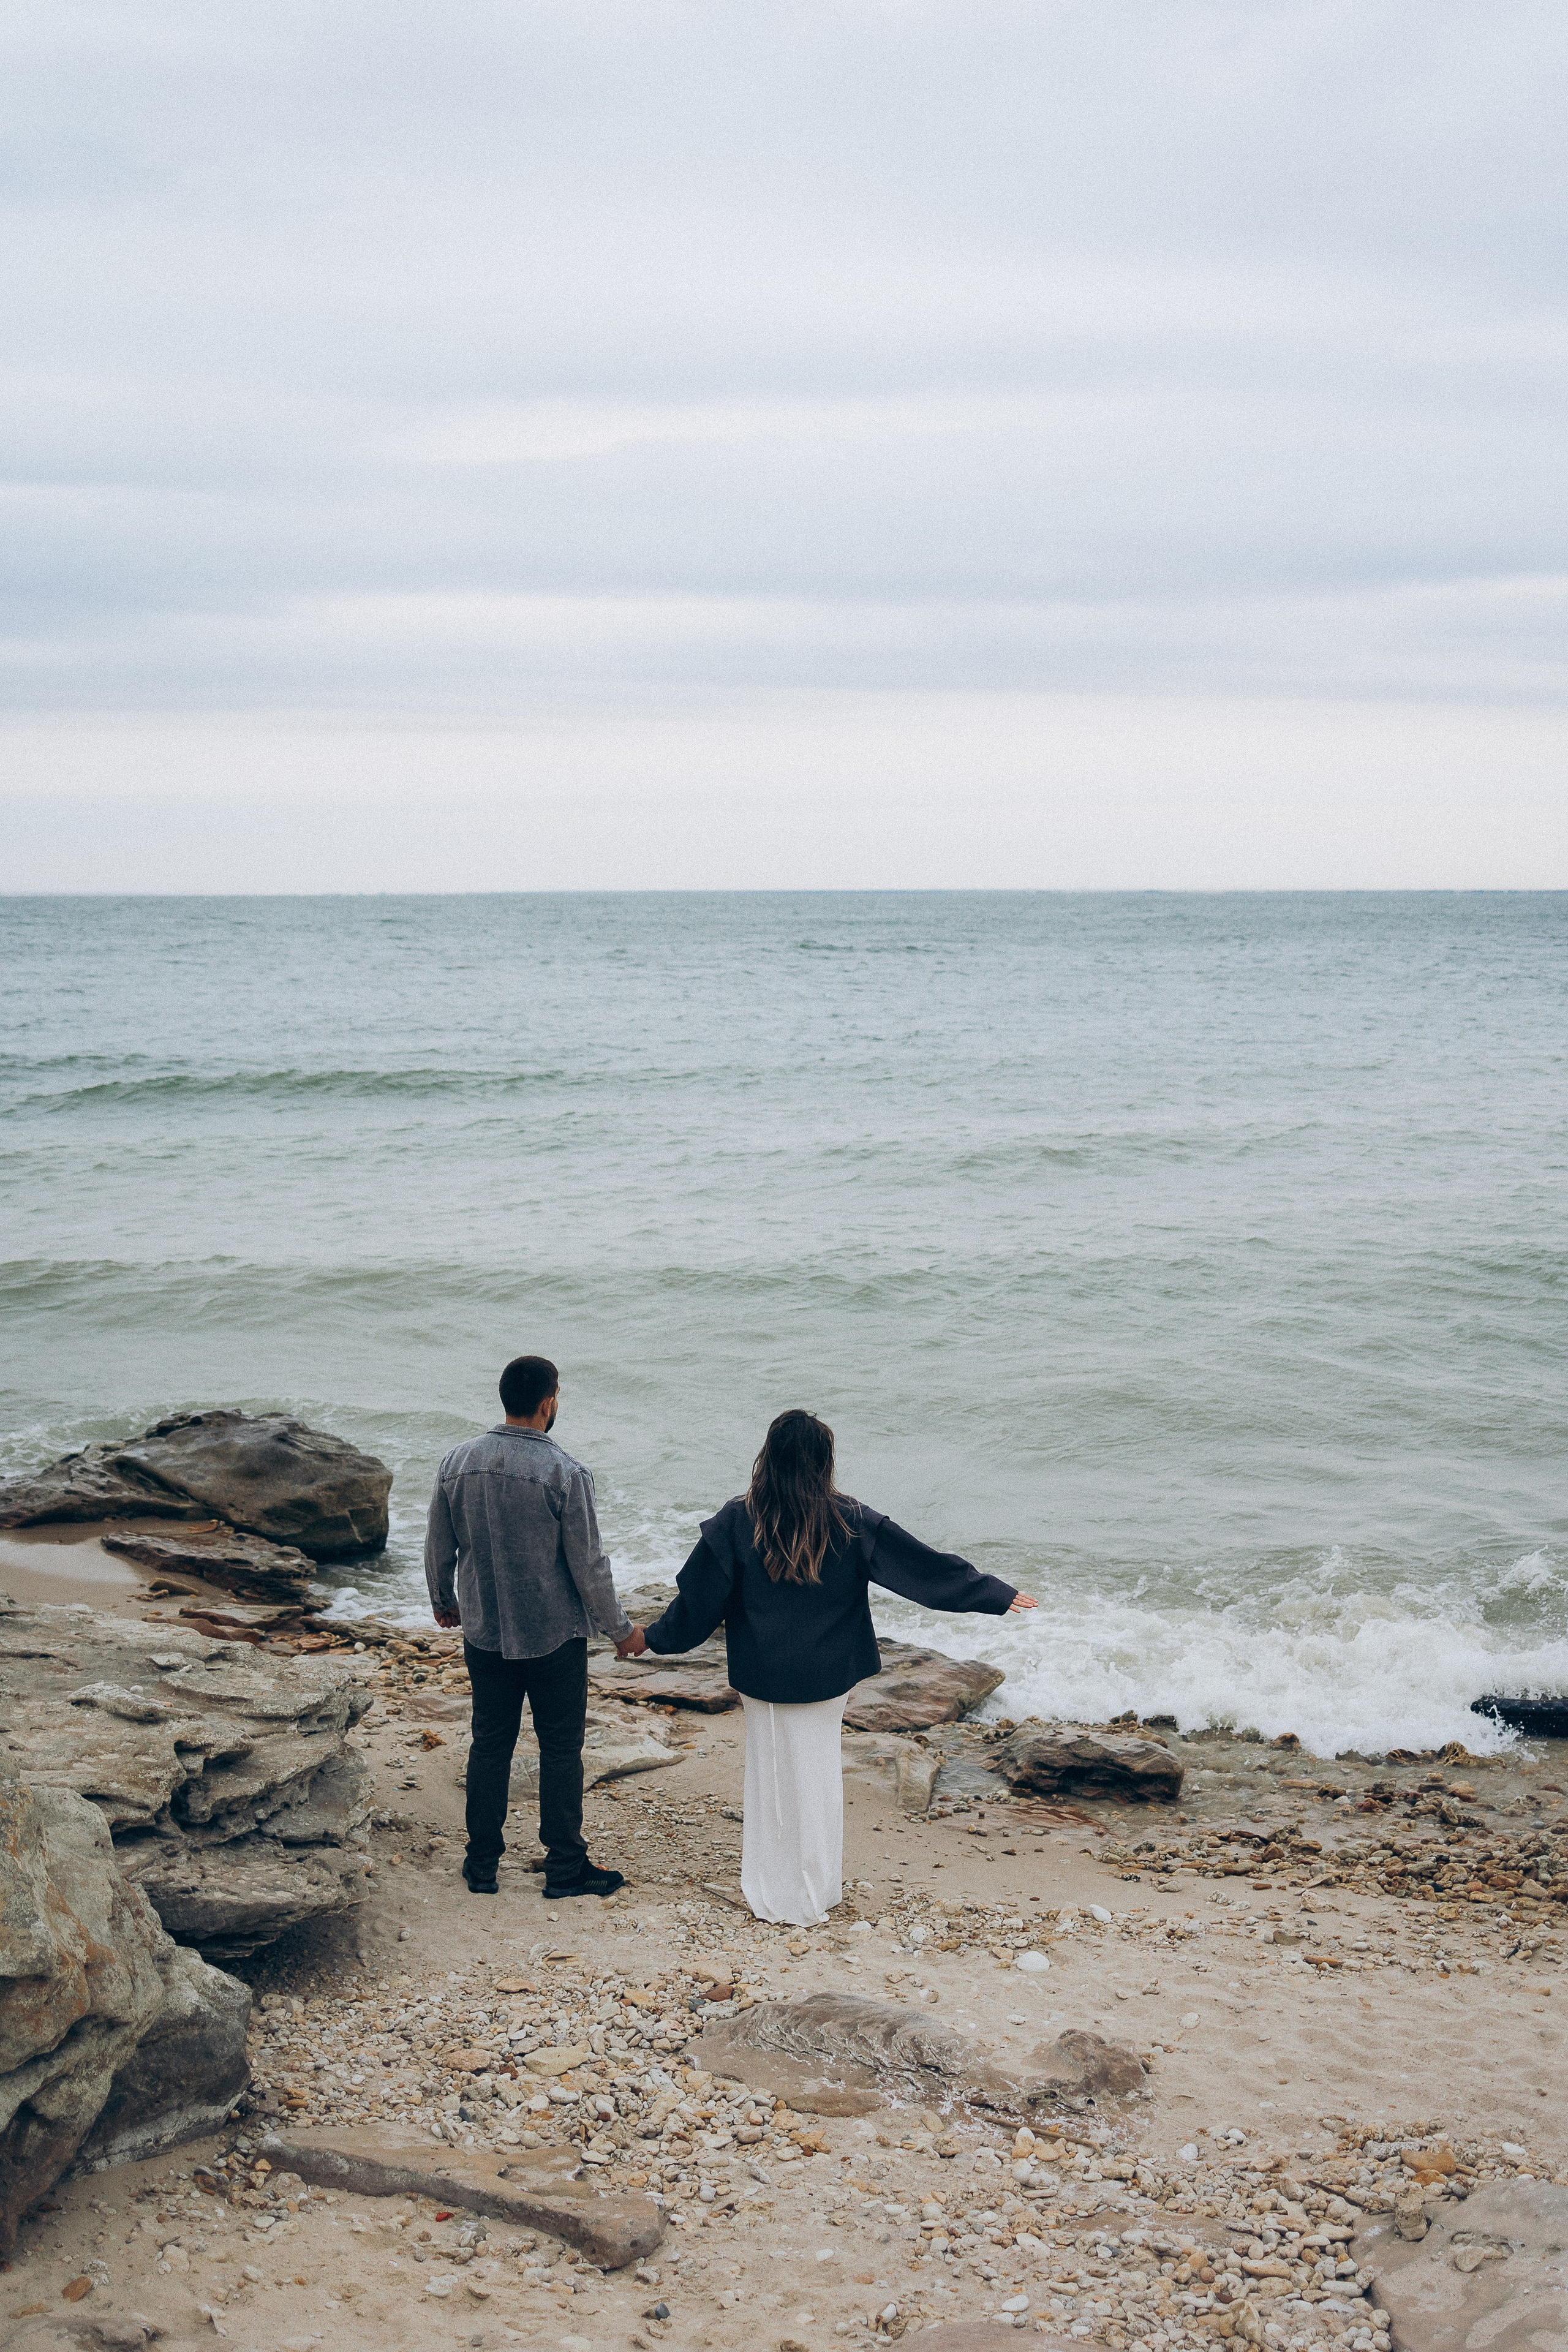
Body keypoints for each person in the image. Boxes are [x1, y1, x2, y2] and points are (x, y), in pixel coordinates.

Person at [622, 1409, 1038, 1926]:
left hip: (764, 1676)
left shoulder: (738, 1519)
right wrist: (992, 1592)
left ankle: (781, 1896)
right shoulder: (850, 1519)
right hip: (828, 1676)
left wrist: (649, 1640)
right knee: (817, 1774)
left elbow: (697, 1604)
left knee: (772, 1779)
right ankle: (818, 1888)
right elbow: (921, 1568)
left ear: (767, 1458)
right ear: (824, 1462)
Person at [424, 1354, 642, 1899]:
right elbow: (588, 1565)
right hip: (553, 1635)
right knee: (562, 1748)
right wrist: (620, 1630)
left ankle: (481, 1865)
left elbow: (437, 1544)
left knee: (490, 1744)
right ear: (548, 1403)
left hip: (485, 1629)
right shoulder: (564, 1473)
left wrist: (443, 1599)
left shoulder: (458, 1462)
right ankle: (565, 1865)